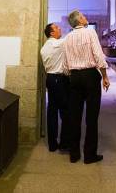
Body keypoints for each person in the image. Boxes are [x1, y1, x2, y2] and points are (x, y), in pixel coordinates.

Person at [63, 10, 110, 164]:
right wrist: (104, 76)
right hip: (90, 76)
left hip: (74, 77)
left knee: (74, 117)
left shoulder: (67, 37)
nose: (85, 18)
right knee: (91, 117)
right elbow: (98, 55)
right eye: (83, 16)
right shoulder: (90, 33)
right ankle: (89, 155)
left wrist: (72, 76)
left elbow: (65, 64)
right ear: (79, 21)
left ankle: (74, 154)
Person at [40, 22, 70, 152]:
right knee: (66, 111)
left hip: (50, 79)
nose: (60, 29)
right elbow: (71, 38)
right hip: (59, 80)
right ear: (51, 33)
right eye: (57, 28)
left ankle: (52, 144)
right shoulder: (57, 44)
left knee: (52, 111)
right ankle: (64, 143)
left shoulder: (44, 47)